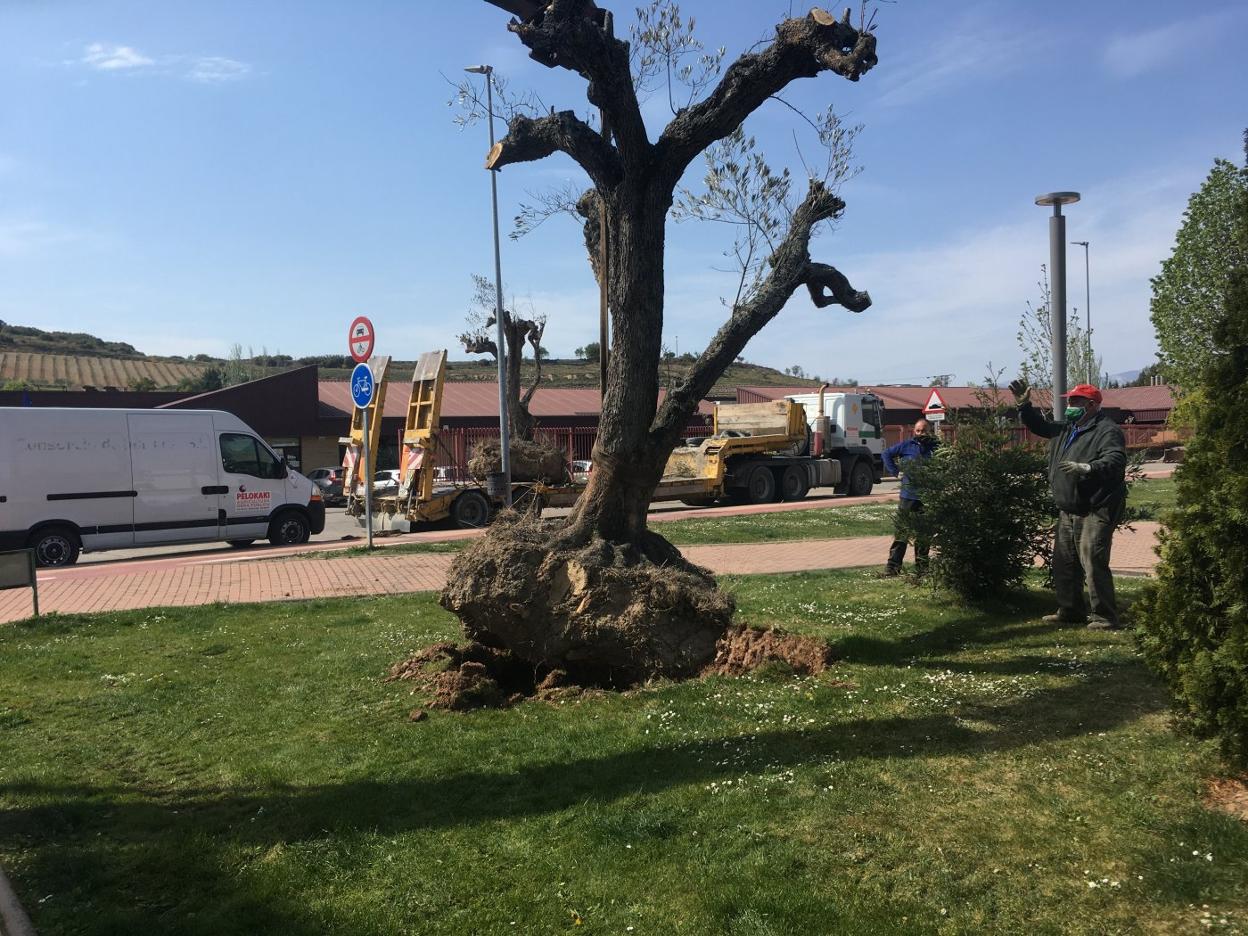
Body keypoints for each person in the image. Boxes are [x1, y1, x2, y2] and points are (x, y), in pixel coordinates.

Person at [1010, 379, 1127, 629]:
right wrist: (1024, 406)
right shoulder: (1067, 428)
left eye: (1076, 401)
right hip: (1069, 507)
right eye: (1070, 401)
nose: (1070, 405)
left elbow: (1115, 460)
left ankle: (1104, 617)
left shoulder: (1106, 431)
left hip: (1096, 507)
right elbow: (1039, 426)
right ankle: (1070, 610)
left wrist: (1088, 468)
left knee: (1092, 561)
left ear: (1092, 405)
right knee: (1065, 562)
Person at [879, 418, 940, 577]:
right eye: (918, 430)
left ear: (930, 431)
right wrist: (895, 471)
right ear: (914, 431)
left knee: (923, 535)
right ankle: (892, 568)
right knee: (902, 533)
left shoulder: (936, 447)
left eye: (924, 430)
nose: (920, 433)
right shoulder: (907, 445)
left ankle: (922, 569)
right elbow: (886, 454)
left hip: (927, 497)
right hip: (908, 496)